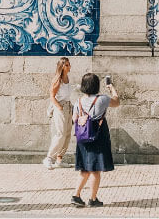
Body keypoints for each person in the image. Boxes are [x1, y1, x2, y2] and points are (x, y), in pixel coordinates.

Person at [71, 73, 120, 208]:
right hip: (97, 137)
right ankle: (93, 199)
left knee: (84, 169)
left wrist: (83, 118)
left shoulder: (78, 101)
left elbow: (74, 120)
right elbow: (117, 102)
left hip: (82, 139)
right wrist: (112, 88)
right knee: (95, 170)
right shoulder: (102, 99)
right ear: (96, 85)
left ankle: (76, 195)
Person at [44, 57, 72, 169]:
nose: (69, 67)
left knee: (68, 134)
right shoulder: (58, 80)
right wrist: (59, 107)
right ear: (62, 67)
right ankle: (49, 158)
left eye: (69, 64)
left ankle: (59, 159)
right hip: (61, 107)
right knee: (60, 134)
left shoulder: (67, 78)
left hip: (68, 107)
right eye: (67, 65)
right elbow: (52, 96)